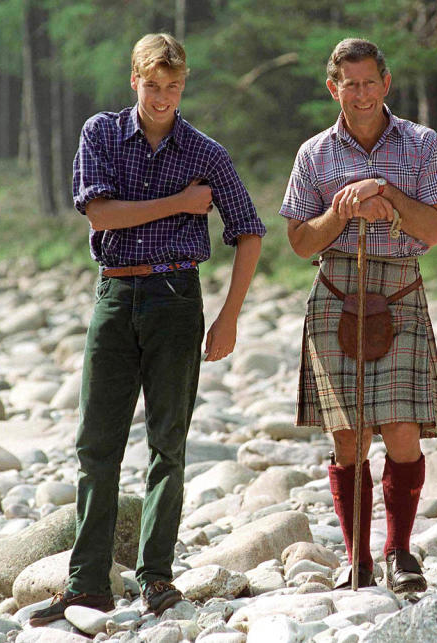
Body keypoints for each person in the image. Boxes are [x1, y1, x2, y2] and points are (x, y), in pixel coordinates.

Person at [30, 33, 265, 625]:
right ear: (134, 79)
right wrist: (182, 203)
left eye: (174, 86)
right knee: (97, 446)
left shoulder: (205, 151)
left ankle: (156, 579)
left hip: (177, 297)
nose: (163, 97)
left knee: (168, 445)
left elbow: (250, 230)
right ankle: (87, 585)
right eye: (152, 85)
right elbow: (100, 212)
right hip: (115, 293)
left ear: (184, 85)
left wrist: (229, 316)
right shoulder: (101, 134)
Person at [279, 38, 437, 592]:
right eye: (348, 84)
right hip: (336, 290)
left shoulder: (423, 144)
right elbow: (300, 242)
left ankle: (399, 553)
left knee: (403, 431)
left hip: (400, 289)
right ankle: (356, 558)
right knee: (348, 437)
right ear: (333, 88)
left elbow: (433, 229)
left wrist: (385, 192)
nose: (359, 93)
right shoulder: (314, 154)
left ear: (387, 83)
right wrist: (344, 208)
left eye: (368, 82)